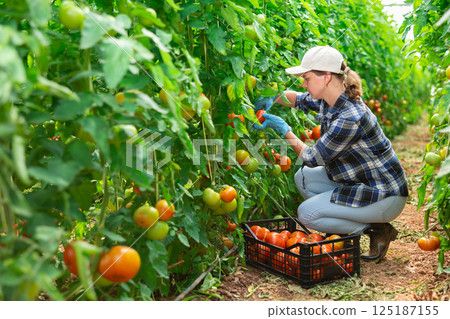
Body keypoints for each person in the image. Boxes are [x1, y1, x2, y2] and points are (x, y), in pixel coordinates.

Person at [253, 46, 408, 261]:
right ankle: (344, 229)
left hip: (384, 194)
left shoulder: (350, 117)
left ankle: (375, 229)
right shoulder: (332, 99)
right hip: (362, 183)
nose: (304, 84)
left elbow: (311, 157)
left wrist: (283, 128)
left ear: (326, 77)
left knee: (306, 214)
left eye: (306, 78)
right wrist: (273, 97)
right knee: (304, 177)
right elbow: (299, 99)